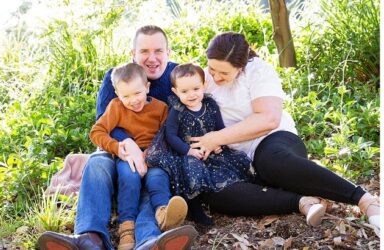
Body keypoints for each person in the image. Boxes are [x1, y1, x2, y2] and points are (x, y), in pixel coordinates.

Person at [189, 32, 380, 230]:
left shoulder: (258, 72)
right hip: (238, 159)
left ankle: (365, 200)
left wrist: (216, 138)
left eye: (224, 73)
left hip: (273, 141)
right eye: (212, 69)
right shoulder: (204, 79)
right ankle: (302, 202)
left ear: (241, 66)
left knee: (271, 162)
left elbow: (269, 119)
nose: (216, 76)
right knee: (212, 190)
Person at [38, 25, 198, 250]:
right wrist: (127, 144)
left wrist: (150, 153)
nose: (152, 58)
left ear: (168, 52)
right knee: (97, 162)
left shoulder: (177, 78)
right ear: (133, 54)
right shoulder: (117, 77)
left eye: (158, 51)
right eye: (144, 51)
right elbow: (103, 121)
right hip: (118, 152)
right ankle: (89, 237)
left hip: (156, 154)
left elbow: (182, 122)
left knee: (151, 180)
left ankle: (148, 240)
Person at [89, 63, 188, 250]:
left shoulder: (160, 108)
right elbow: (97, 131)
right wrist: (116, 147)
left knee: (158, 178)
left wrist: (153, 153)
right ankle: (126, 229)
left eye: (137, 93)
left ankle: (163, 214)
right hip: (128, 156)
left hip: (155, 156)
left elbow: (168, 135)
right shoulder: (116, 107)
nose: (133, 100)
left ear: (147, 88)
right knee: (129, 177)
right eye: (125, 96)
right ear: (117, 94)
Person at [146, 63, 252, 226]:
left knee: (235, 163)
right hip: (187, 152)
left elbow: (220, 128)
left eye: (196, 89)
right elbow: (171, 135)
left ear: (204, 85)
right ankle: (195, 209)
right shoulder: (177, 109)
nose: (191, 95)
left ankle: (245, 191)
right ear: (175, 91)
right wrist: (187, 150)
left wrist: (219, 144)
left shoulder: (210, 105)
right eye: (184, 91)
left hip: (210, 149)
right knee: (191, 170)